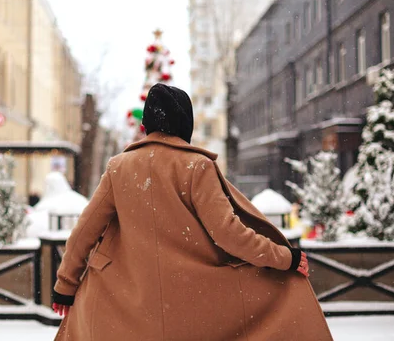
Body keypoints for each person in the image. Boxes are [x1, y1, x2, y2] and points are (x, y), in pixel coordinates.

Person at [51, 84, 333, 340]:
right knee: (283, 289)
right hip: (190, 306)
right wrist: (286, 258)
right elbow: (229, 234)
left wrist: (65, 285)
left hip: (122, 308)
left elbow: (84, 232)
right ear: (185, 123)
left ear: (146, 124)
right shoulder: (196, 167)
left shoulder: (119, 167)